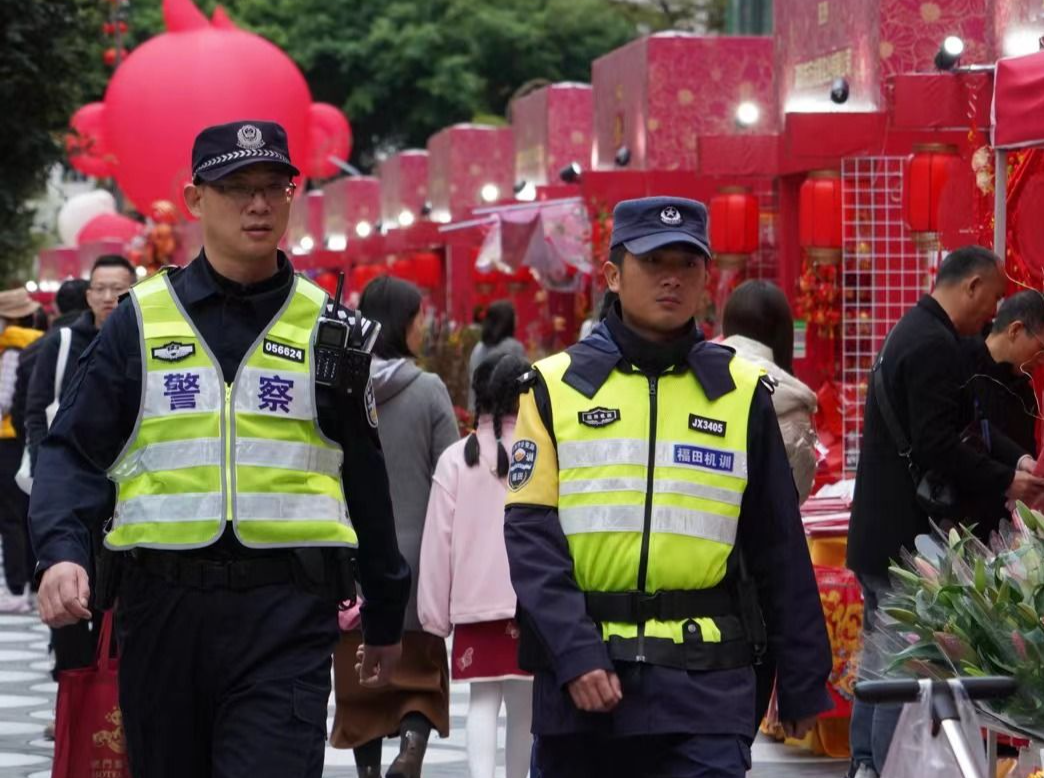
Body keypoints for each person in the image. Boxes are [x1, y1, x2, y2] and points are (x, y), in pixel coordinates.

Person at [29, 120, 410, 778]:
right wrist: (62, 552)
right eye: (236, 188)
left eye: (274, 187)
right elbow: (72, 452)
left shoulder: (329, 328)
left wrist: (385, 610)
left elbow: (366, 476)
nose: (258, 205)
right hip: (162, 610)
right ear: (195, 199)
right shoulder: (139, 322)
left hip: (287, 615)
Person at [504, 196, 832, 778]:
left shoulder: (740, 392)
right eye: (654, 262)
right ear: (613, 275)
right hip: (584, 689)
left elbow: (778, 543)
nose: (672, 279)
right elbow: (531, 540)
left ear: (708, 278)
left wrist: (805, 676)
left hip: (707, 687)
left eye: (687, 264)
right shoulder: (554, 387)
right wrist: (575, 653)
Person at [846, 246, 1044, 778]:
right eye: (995, 297)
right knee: (902, 666)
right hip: (905, 538)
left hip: (881, 530)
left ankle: (865, 763)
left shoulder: (912, 331)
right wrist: (1007, 479)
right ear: (973, 285)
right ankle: (882, 767)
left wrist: (1012, 459)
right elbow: (939, 444)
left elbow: (970, 427)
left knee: (879, 657)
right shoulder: (933, 345)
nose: (994, 313)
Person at [332, 275, 459, 778]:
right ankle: (410, 748)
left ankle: (367, 770)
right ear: (403, 322)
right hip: (418, 550)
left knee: (361, 665)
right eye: (418, 317)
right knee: (421, 666)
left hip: (353, 549)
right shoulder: (428, 390)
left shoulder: (340, 387)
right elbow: (450, 471)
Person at [418, 353, 534, 778]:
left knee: (484, 702)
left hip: (473, 603)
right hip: (530, 602)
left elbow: (437, 542)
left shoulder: (456, 459)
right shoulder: (538, 453)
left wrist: (433, 616)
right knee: (525, 707)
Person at [721, 280, 818, 504]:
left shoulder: (699, 376)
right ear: (783, 334)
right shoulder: (793, 402)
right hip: (766, 536)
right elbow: (797, 493)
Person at [960, 290, 1044, 531]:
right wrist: (1008, 477)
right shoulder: (960, 364)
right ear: (1015, 330)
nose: (1042, 361)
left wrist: (1026, 462)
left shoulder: (1024, 390)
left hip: (1010, 527)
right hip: (963, 521)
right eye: (1041, 348)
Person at [10, 278, 89, 464]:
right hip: (92, 458)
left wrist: (36, 449)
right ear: (90, 300)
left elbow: (20, 413)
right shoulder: (100, 344)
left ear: (56, 307)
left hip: (47, 457)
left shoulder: (30, 350)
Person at [0, 289, 43, 612]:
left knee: (10, 518)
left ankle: (16, 590)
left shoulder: (12, 346)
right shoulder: (43, 340)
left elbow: (3, 399)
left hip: (8, 438)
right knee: (27, 514)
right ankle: (31, 584)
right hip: (31, 436)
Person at [468, 300, 526, 410]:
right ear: (507, 320)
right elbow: (525, 381)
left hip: (478, 413)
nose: (517, 318)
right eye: (515, 315)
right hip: (506, 416)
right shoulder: (514, 347)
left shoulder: (478, 348)